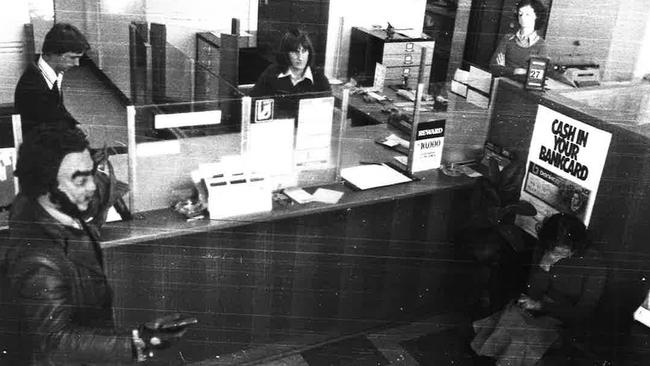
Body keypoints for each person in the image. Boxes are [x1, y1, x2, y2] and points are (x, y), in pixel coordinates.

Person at [0, 126, 195, 365]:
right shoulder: (37, 258)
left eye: (91, 173)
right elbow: (56, 342)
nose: (91, 186)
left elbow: (101, 189)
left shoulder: (52, 204)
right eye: (80, 180)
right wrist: (137, 341)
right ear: (45, 186)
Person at [470, 213, 607, 365]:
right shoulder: (546, 250)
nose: (555, 254)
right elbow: (534, 292)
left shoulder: (594, 264)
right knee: (506, 322)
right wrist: (544, 266)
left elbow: (582, 313)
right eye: (552, 249)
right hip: (536, 309)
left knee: (522, 337)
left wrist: (542, 306)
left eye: (562, 250)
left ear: (576, 245)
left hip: (563, 321)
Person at [15, 23, 89, 136]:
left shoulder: (53, 73)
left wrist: (74, 124)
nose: (77, 64)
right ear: (54, 53)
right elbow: (44, 132)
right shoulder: (33, 86)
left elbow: (58, 109)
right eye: (73, 57)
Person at [249, 28, 331, 120]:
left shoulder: (319, 78)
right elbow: (252, 104)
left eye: (304, 51)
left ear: (309, 53)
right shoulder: (272, 73)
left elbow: (326, 113)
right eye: (295, 52)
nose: (300, 57)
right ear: (286, 54)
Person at [489, 0, 549, 79]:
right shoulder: (507, 38)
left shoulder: (541, 45)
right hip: (503, 85)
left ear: (537, 16)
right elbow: (493, 67)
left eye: (527, 14)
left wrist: (505, 70)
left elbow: (536, 77)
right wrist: (517, 71)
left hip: (524, 90)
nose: (523, 17)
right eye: (520, 14)